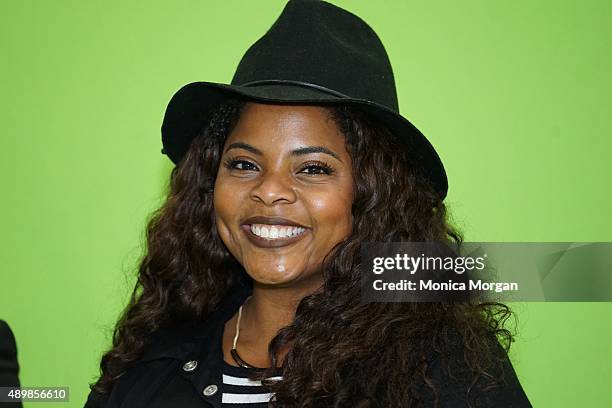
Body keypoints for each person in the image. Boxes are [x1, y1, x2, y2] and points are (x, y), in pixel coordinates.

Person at [85, 1, 531, 407]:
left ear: (372, 193)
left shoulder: (443, 370)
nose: (269, 190)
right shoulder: (151, 358)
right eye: (242, 164)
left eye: (313, 168)